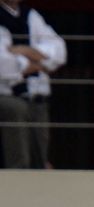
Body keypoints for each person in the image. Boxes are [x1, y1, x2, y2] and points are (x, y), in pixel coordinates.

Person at [0, 0, 66, 169]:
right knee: (18, 161)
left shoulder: (31, 15)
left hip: (37, 100)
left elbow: (59, 52)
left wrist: (24, 50)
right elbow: (4, 65)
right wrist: (41, 63)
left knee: (39, 161)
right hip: (9, 98)